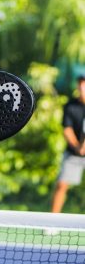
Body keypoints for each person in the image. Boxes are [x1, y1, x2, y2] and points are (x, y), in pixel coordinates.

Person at [51, 75, 85, 213]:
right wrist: (78, 147)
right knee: (61, 185)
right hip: (73, 154)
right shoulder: (70, 106)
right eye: (81, 85)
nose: (83, 88)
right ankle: (51, 223)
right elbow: (67, 130)